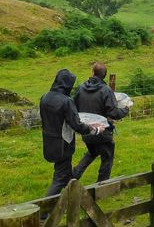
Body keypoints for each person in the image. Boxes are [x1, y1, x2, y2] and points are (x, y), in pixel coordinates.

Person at [40, 69, 104, 197]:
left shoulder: (45, 97)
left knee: (67, 175)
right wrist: (95, 129)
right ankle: (44, 211)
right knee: (59, 179)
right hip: (63, 143)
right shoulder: (66, 101)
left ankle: (75, 199)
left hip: (49, 142)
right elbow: (77, 125)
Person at [73, 62, 129, 183]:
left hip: (86, 131)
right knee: (107, 157)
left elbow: (74, 107)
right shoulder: (106, 90)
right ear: (104, 75)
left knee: (92, 152)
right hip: (102, 132)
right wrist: (125, 110)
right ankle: (102, 185)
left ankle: (74, 175)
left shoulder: (81, 88)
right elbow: (114, 113)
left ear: (92, 73)